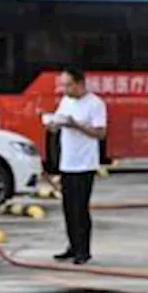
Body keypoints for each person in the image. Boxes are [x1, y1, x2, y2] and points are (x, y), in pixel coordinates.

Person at [48, 67, 107, 265]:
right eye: (62, 85)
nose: (64, 89)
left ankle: (84, 250)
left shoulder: (95, 104)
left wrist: (76, 125)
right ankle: (72, 246)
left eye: (68, 84)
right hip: (67, 162)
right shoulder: (66, 101)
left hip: (85, 164)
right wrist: (53, 125)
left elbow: (100, 133)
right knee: (67, 208)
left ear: (80, 84)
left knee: (80, 208)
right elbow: (59, 121)